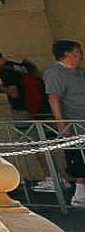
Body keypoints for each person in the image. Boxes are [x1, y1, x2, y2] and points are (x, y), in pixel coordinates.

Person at [42, 40, 85, 205]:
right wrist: (61, 124)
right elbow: (54, 98)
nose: (81, 55)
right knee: (79, 159)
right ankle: (79, 196)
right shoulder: (55, 73)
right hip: (75, 123)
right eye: (79, 51)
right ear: (69, 54)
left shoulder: (79, 72)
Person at [0, 48, 47, 115]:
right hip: (40, 104)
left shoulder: (5, 71)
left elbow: (13, 92)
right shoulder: (16, 66)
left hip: (23, 108)